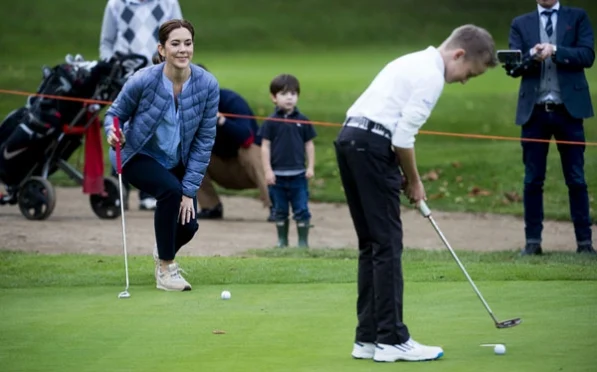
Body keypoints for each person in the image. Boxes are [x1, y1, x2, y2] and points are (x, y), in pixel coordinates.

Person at [335, 25, 497, 362]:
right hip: (373, 145)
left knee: (372, 244)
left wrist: (404, 176)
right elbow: (403, 138)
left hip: (350, 140)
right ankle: (392, 339)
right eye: (469, 73)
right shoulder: (431, 76)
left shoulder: (410, 61)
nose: (465, 80)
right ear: (459, 55)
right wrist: (415, 180)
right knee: (388, 244)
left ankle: (368, 338)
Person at [103, 19, 219, 291]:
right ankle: (166, 269)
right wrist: (112, 132)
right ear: (162, 49)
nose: (182, 50)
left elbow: (204, 141)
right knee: (169, 191)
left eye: (187, 43)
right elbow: (114, 115)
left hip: (177, 160)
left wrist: (189, 190)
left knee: (188, 226)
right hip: (136, 154)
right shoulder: (143, 79)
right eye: (175, 44)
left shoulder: (208, 85)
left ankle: (162, 249)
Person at [506, 0, 595, 256]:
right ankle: (532, 242)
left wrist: (555, 50)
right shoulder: (520, 23)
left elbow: (587, 55)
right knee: (533, 180)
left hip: (569, 112)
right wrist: (532, 56)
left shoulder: (577, 17)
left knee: (576, 179)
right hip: (534, 113)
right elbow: (513, 68)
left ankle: (584, 243)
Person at [99, 0, 184, 211]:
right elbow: (106, 43)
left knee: (154, 130)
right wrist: (114, 69)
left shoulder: (168, 3)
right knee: (122, 130)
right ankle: (120, 190)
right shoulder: (116, 5)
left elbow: (179, 37)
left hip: (159, 77)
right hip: (125, 78)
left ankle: (149, 190)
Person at [194, 64, 275, 222]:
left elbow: (247, 138)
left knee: (250, 150)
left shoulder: (230, 100)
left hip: (247, 168)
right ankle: (211, 206)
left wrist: (221, 120)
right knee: (188, 154)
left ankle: (276, 206)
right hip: (221, 168)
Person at [261, 74, 316, 248]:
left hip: (298, 175)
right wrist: (268, 170)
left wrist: (311, 167)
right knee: (280, 210)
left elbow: (309, 145)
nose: (289, 97)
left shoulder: (303, 120)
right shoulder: (270, 122)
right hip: (277, 177)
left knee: (301, 209)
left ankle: (302, 242)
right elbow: (265, 147)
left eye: (293, 93)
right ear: (274, 98)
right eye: (284, 94)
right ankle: (282, 241)